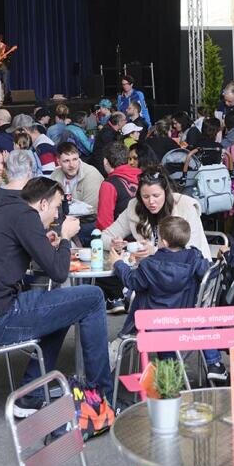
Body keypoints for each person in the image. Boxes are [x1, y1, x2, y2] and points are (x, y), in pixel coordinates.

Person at [0, 177, 113, 407]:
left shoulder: (2, 210)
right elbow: (59, 272)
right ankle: (101, 393)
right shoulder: (25, 217)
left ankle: (33, 391)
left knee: (64, 306)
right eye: (57, 206)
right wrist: (66, 238)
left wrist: (43, 241)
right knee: (93, 297)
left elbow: (7, 252)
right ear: (42, 204)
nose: (57, 215)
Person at [110, 214, 221, 381]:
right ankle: (212, 363)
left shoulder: (150, 265)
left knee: (158, 318)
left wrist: (118, 263)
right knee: (198, 318)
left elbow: (132, 282)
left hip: (155, 325)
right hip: (186, 321)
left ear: (165, 242)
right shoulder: (195, 258)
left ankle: (171, 371)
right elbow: (208, 271)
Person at [102, 167, 213, 262]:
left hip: (185, 276)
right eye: (145, 197)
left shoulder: (185, 206)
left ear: (166, 192)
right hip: (151, 275)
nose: (151, 201)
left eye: (156, 196)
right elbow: (104, 236)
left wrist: (154, 252)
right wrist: (114, 245)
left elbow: (192, 252)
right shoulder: (134, 207)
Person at [96, 143, 140, 231]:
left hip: (121, 237)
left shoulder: (109, 184)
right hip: (146, 234)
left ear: (105, 161)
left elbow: (104, 223)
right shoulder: (143, 175)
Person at [51, 140, 102, 212]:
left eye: (75, 159)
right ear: (58, 162)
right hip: (63, 217)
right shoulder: (55, 175)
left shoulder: (91, 174)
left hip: (90, 219)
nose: (72, 165)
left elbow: (90, 209)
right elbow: (50, 203)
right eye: (66, 161)